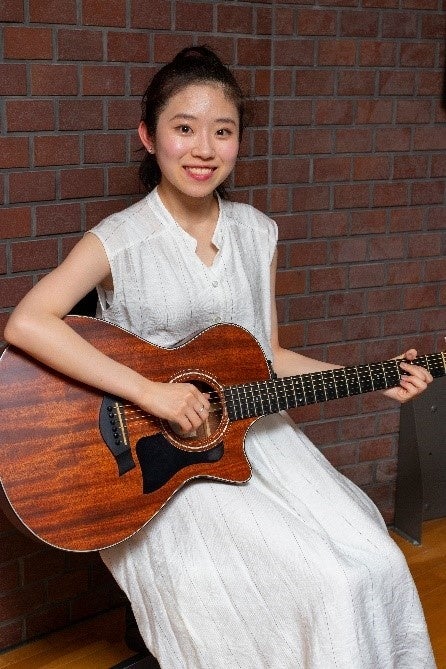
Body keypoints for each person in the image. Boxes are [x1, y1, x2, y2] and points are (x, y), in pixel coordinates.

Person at [4, 46, 436, 668]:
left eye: (223, 131)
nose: (204, 149)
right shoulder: (120, 239)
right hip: (160, 462)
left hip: (260, 440)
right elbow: (28, 322)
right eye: (184, 128)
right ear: (149, 137)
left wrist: (373, 379)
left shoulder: (258, 233)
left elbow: (269, 355)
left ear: (238, 142)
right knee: (326, 584)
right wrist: (152, 393)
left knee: (377, 562)